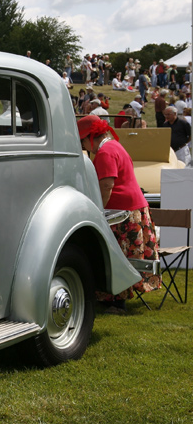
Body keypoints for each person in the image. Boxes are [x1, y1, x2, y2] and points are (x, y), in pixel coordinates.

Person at [77, 114, 161, 313]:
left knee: (117, 255)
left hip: (123, 214)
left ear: (90, 137)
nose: (83, 147)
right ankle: (113, 299)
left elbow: (107, 185)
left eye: (82, 141)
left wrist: (98, 212)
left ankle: (116, 302)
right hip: (132, 208)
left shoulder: (106, 152)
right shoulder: (115, 146)